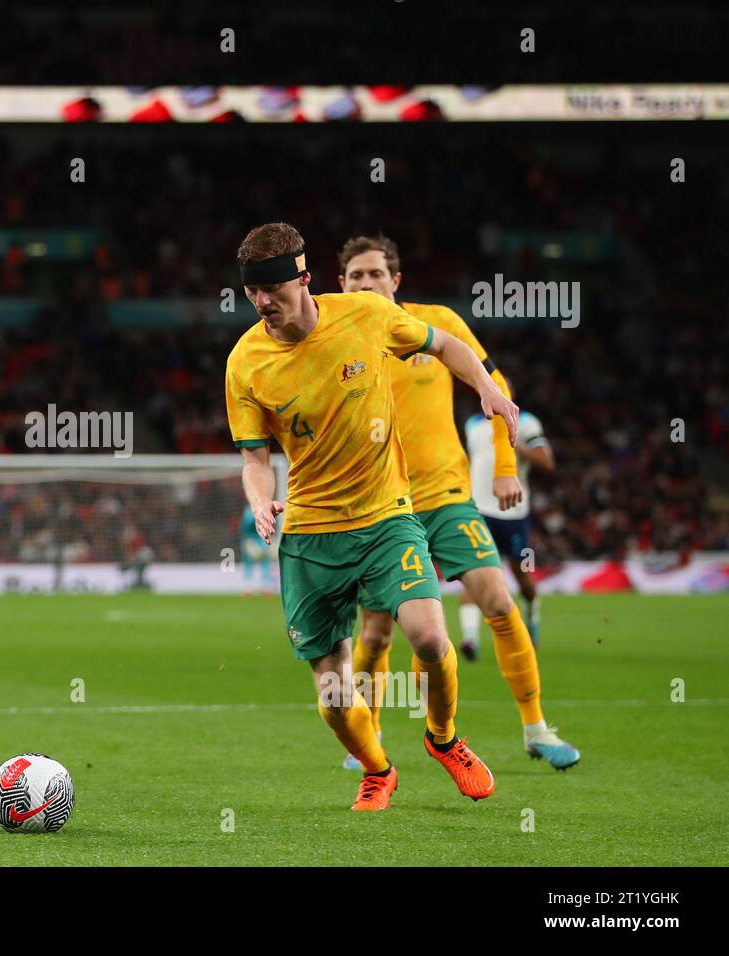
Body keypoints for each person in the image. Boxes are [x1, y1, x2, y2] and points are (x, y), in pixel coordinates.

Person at [226, 222, 513, 811]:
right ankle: (378, 768)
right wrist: (259, 499)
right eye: (252, 293)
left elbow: (446, 345)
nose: (262, 304)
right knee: (333, 695)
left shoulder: (366, 315)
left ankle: (444, 738)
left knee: (431, 639)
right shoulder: (244, 362)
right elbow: (255, 457)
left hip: (386, 516)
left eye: (272, 291)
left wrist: (486, 388)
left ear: (304, 280)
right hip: (310, 533)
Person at [337, 235, 579, 772]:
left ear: (395, 281)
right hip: (380, 508)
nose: (366, 283)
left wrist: (508, 466)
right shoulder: (338, 339)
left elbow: (491, 380)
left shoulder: (432, 322)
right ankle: (369, 737)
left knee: (497, 599)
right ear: (342, 284)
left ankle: (536, 728)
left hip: (448, 496)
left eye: (376, 274)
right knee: (375, 634)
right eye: (356, 276)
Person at [460, 409, 556, 651]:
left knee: (520, 572)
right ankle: (470, 637)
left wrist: (515, 447)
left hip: (513, 512)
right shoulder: (472, 424)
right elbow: (472, 461)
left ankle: (532, 615)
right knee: (473, 572)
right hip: (478, 510)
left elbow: (546, 461)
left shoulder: (526, 421)